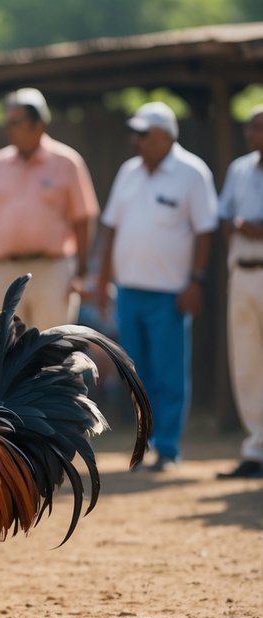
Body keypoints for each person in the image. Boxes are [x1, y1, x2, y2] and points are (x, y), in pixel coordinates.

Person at [96, 102, 218, 472]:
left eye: (144, 134)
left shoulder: (192, 173)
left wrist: (195, 280)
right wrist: (101, 278)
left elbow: (204, 230)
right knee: (136, 372)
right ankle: (144, 443)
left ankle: (167, 447)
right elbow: (112, 227)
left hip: (170, 292)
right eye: (135, 133)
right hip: (129, 290)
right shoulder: (129, 172)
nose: (136, 140)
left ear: (166, 136)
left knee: (169, 373)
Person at [0, 87, 98, 363]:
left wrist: (81, 273)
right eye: (7, 122)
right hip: (4, 270)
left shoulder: (67, 162)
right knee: (0, 355)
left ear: (38, 124)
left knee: (51, 350)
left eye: (15, 122)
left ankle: (51, 409)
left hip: (52, 270)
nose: (8, 128)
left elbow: (83, 218)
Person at [213, 105, 263, 479]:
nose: (251, 134)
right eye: (249, 128)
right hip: (242, 273)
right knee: (247, 364)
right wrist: (236, 225)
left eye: (258, 128)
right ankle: (255, 448)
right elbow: (223, 214)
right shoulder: (240, 168)